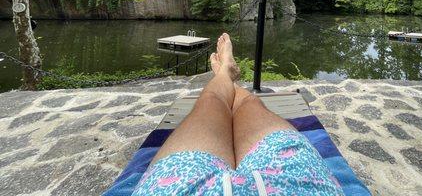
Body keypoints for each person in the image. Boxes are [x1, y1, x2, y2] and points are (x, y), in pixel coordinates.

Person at [133, 33, 344, 195]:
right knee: (249, 102)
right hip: (297, 185)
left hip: (179, 185)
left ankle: (225, 73)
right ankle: (228, 75)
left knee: (213, 101)